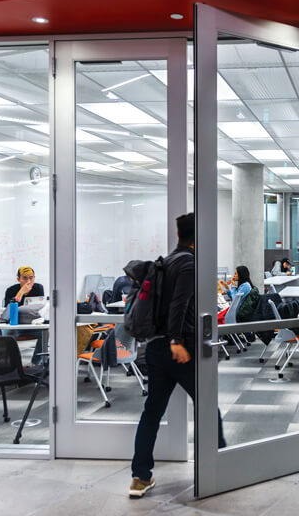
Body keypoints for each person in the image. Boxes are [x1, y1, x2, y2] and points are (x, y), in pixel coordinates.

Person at [131, 213, 226, 498]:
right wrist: (176, 340)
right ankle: (218, 467)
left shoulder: (167, 261)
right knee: (208, 405)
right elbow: (179, 304)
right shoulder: (188, 263)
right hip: (178, 348)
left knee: (152, 411)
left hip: (156, 348)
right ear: (198, 235)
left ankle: (140, 477)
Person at [2, 266, 46, 365]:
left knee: (45, 333)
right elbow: (7, 313)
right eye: (25, 278)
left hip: (31, 324)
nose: (28, 281)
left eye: (31, 278)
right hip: (15, 324)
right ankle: (12, 363)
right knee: (8, 333)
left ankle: (36, 362)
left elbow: (40, 308)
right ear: (18, 279)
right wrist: (21, 292)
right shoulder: (11, 290)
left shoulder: (38, 288)